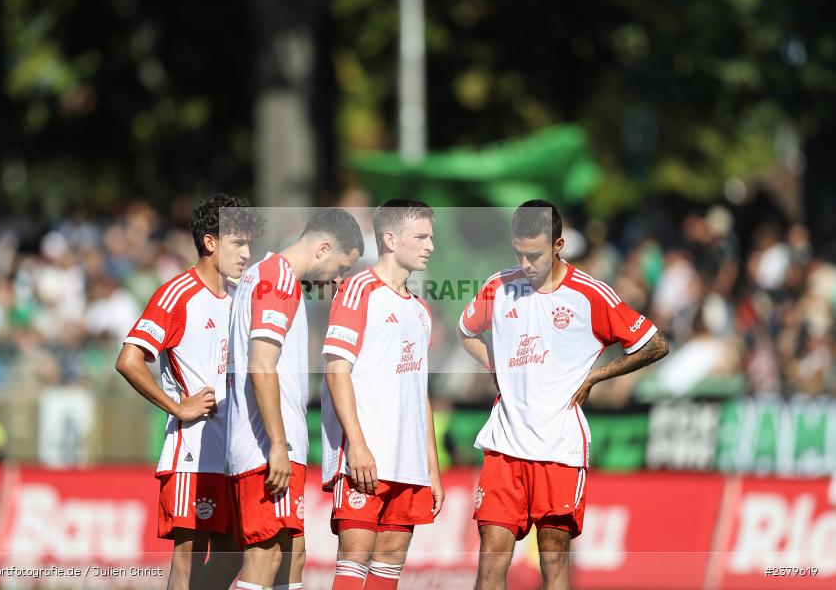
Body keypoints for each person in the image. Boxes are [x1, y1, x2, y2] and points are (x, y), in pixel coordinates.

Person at [459, 200, 669, 590]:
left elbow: (654, 344)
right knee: (490, 557)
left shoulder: (589, 294)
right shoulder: (499, 286)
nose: (526, 262)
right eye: (519, 252)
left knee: (553, 561)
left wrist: (595, 377)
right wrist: (495, 367)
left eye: (535, 254)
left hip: (559, 449)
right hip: (504, 445)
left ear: (558, 245)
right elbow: (467, 330)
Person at [115, 194, 263, 590]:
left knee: (234, 552)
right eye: (239, 243)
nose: (247, 253)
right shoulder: (177, 294)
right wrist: (178, 408)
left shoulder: (241, 299)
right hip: (194, 450)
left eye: (249, 243)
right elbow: (129, 360)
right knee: (188, 557)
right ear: (210, 242)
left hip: (237, 451)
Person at [228, 208, 364, 590]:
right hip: (267, 445)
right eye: (341, 266)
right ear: (322, 248)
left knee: (292, 554)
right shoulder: (278, 280)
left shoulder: (267, 275)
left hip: (273, 442)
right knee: (265, 554)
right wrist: (277, 444)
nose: (339, 279)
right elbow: (261, 364)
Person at [321, 199, 443, 590]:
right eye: (421, 236)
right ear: (390, 239)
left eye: (431, 237)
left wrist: (432, 469)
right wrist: (356, 445)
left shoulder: (421, 311)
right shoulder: (359, 290)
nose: (430, 246)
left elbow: (418, 393)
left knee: (389, 569)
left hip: (408, 463)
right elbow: (336, 369)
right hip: (366, 457)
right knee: (353, 563)